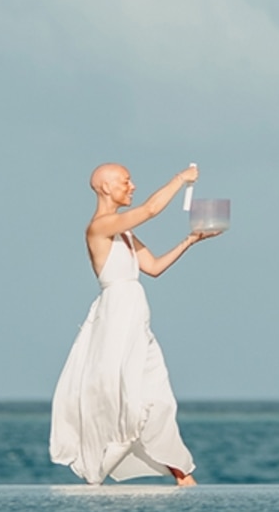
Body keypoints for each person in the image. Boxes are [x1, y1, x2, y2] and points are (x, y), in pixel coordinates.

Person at [48, 160, 217, 486]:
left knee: (158, 394)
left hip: (136, 320)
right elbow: (152, 209)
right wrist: (180, 178)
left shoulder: (123, 232)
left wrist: (190, 240)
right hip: (116, 320)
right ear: (106, 187)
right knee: (120, 396)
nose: (132, 186)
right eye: (126, 181)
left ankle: (181, 472)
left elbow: (152, 267)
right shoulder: (99, 227)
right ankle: (110, 471)